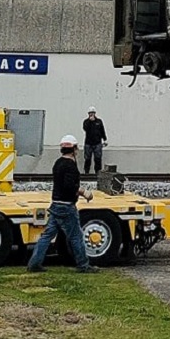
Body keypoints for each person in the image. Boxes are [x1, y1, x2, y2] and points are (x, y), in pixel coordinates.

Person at [27, 136, 97, 273]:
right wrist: (84, 192)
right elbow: (69, 185)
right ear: (74, 149)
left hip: (55, 205)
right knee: (76, 236)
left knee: (47, 236)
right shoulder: (70, 165)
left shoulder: (58, 163)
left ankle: (34, 263)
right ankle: (83, 265)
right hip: (66, 207)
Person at [82, 108, 108, 175]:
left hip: (97, 143)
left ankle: (98, 173)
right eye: (90, 113)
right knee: (87, 159)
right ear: (88, 114)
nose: (91, 114)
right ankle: (86, 172)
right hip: (88, 143)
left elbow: (102, 130)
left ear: (95, 113)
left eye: (93, 112)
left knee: (98, 159)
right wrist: (90, 122)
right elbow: (85, 128)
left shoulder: (99, 121)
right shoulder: (86, 122)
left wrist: (105, 139)